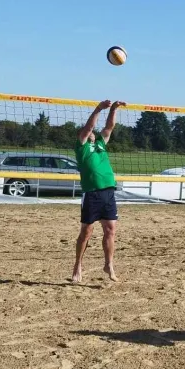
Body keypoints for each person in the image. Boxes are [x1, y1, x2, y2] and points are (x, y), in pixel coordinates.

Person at [71, 99, 126, 284]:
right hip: (91, 193)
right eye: (88, 133)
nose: (92, 133)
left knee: (110, 230)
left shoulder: (101, 143)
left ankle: (109, 265)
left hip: (108, 192)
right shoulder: (81, 147)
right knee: (86, 232)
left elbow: (109, 127)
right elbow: (89, 127)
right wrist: (98, 109)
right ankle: (78, 265)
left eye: (93, 133)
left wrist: (114, 109)